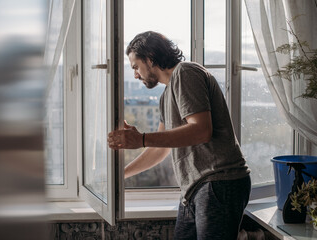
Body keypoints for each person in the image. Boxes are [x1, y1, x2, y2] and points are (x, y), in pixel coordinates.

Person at [107, 31, 251, 240]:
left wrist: (141, 139)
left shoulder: (186, 72)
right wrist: (121, 174)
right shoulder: (166, 96)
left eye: (136, 67)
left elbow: (202, 130)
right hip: (194, 190)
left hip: (218, 181)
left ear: (149, 58)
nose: (136, 74)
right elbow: (159, 149)